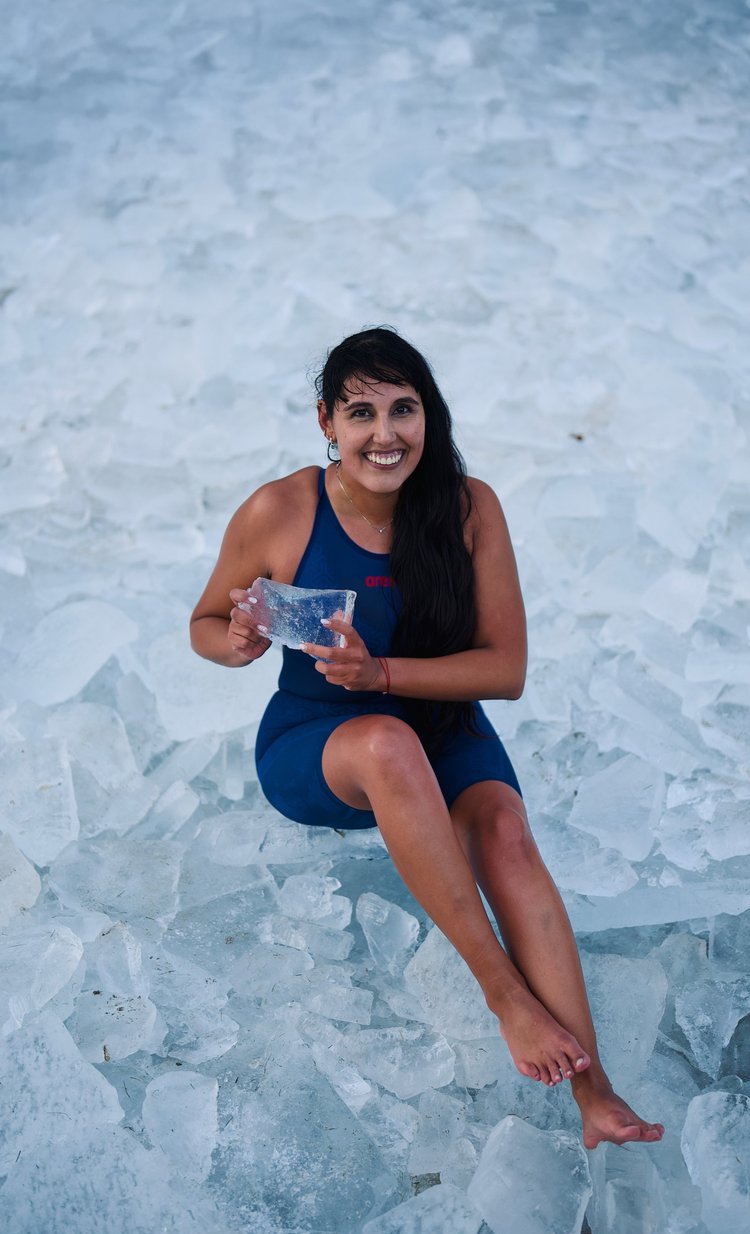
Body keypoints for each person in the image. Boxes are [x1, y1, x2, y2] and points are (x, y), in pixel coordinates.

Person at [190, 327, 664, 1150]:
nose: (386, 433)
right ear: (326, 423)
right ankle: (506, 996)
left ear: (428, 416)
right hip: (321, 740)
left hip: (442, 725)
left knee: (508, 836)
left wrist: (382, 676)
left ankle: (597, 1097)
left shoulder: (470, 506)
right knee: (383, 745)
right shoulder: (282, 509)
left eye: (404, 409)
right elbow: (203, 621)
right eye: (361, 411)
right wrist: (231, 643)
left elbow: (505, 669)